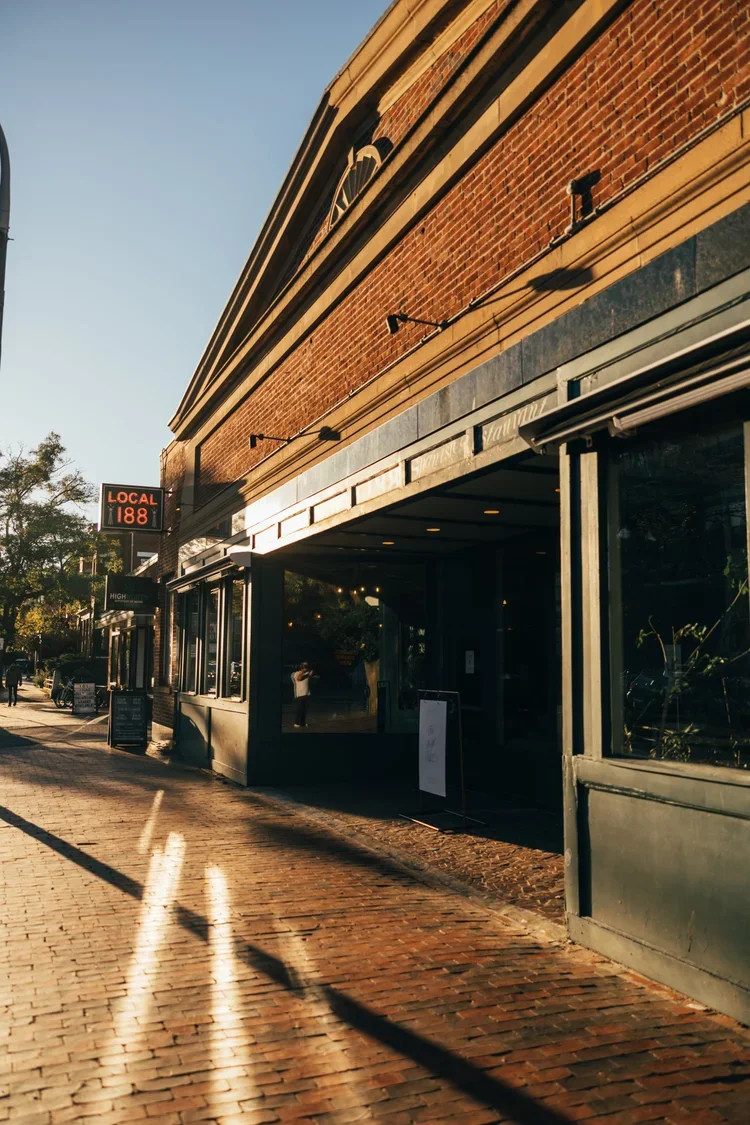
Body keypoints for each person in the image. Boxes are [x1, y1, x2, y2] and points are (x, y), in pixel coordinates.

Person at [291, 661, 313, 728]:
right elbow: (299, 678)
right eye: (304, 665)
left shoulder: (307, 673)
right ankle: (296, 723)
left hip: (307, 694)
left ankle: (302, 723)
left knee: (305, 710)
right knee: (299, 709)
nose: (305, 667)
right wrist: (303, 672)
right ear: (301, 666)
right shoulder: (296, 673)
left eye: (306, 665)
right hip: (300, 694)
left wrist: (309, 673)